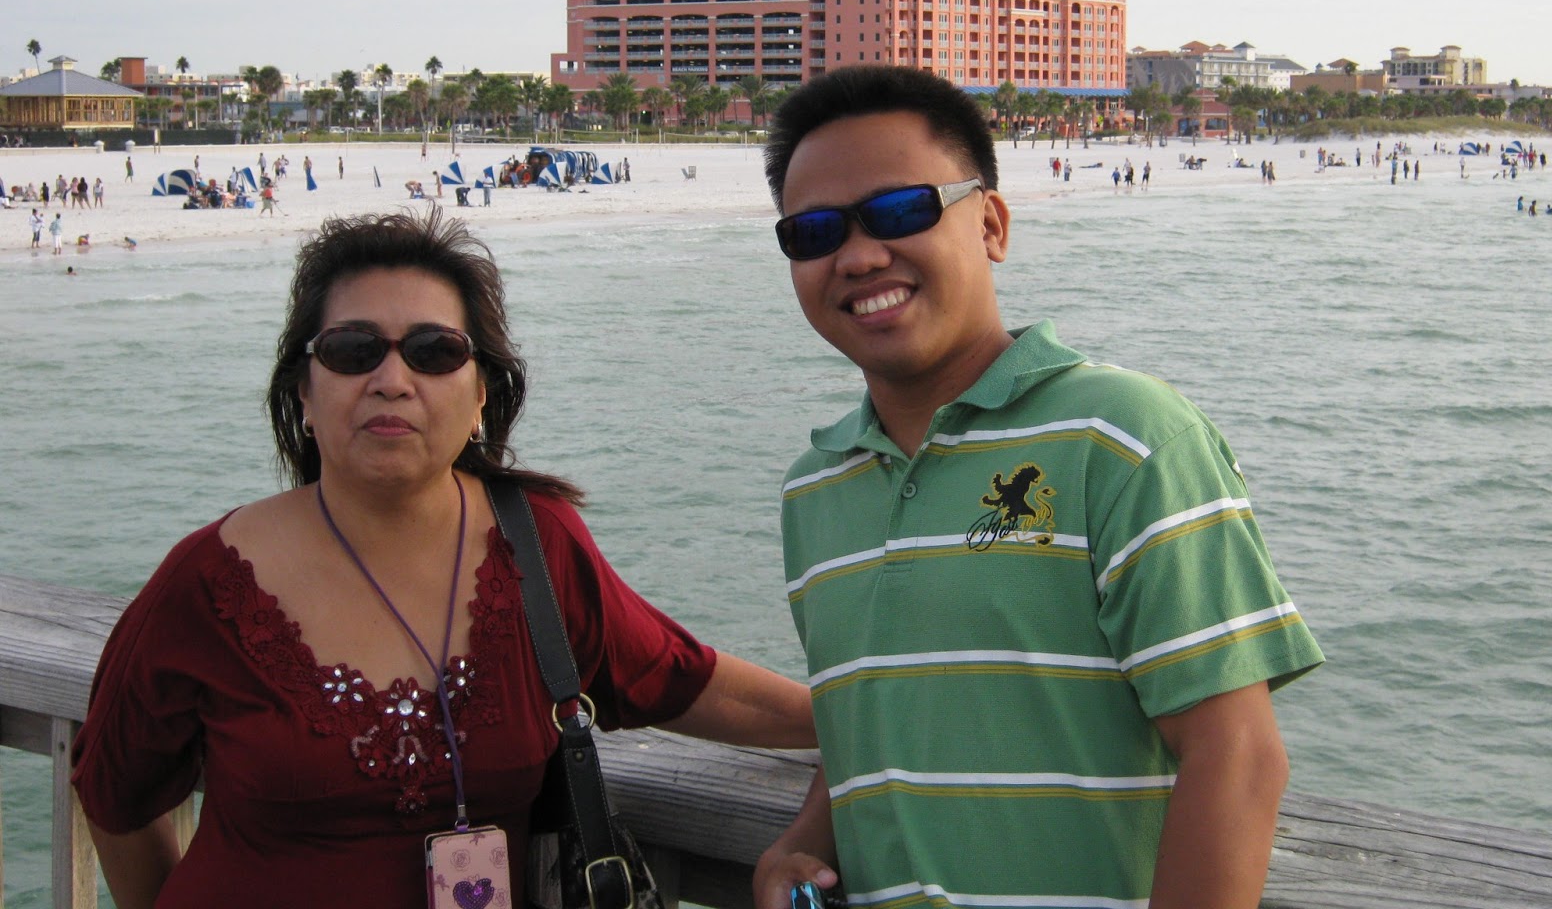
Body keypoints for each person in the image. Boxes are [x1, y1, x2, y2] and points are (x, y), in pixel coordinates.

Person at [72, 208, 815, 908]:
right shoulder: (207, 581)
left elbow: (672, 676)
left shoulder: (537, 544)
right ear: (303, 392)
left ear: (482, 392)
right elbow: (113, 796)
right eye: (353, 351)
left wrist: (855, 716)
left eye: (434, 352)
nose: (392, 381)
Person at [753, 66, 1322, 909]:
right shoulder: (816, 488)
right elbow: (866, 723)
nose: (860, 256)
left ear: (991, 224)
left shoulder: (1126, 437)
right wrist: (802, 843)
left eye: (902, 211)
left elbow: (1236, 756)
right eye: (815, 233)